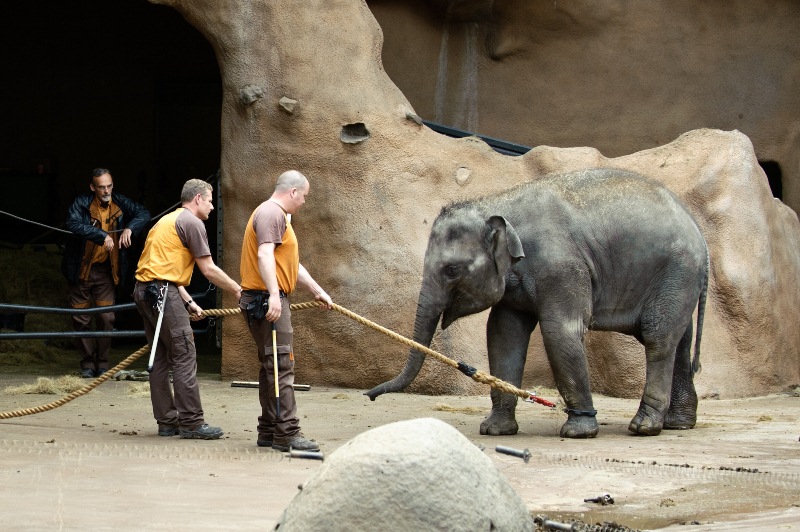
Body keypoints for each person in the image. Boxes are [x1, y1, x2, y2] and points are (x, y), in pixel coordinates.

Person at [133, 179, 241, 440]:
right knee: (184, 352)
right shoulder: (192, 223)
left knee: (159, 357)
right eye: (210, 201)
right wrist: (239, 290)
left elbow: (166, 269)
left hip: (145, 290)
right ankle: (192, 422)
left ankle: (167, 421)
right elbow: (208, 269)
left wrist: (189, 301)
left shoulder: (166, 221)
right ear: (197, 199)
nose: (213, 207)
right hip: (161, 293)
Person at [239, 170, 332, 451]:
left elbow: (290, 264)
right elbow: (265, 254)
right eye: (304, 196)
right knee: (281, 366)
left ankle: (268, 430)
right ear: (292, 192)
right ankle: (288, 434)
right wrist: (274, 296)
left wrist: (317, 290)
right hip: (266, 298)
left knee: (272, 367)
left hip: (267, 295)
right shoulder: (272, 214)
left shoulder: (277, 217)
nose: (304, 202)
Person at [62, 168, 151, 378]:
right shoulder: (81, 203)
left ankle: (103, 364)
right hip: (80, 271)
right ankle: (87, 364)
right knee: (81, 319)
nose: (106, 190)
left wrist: (130, 228)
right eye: (101, 187)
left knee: (107, 317)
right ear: (92, 187)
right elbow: (72, 223)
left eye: (109, 186)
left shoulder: (119, 201)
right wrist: (100, 235)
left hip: (106, 272)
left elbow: (143, 213)